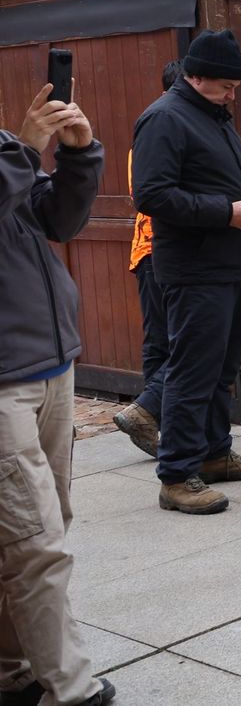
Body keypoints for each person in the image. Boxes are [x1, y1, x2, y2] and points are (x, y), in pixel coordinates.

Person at [1, 80, 117, 706]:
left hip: (50, 365)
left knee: (37, 529)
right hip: (4, 385)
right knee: (34, 541)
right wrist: (24, 148)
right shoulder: (10, 148)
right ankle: (71, 690)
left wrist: (77, 155)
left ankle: (12, 670)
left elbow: (58, 220)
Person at [133, 30, 241, 515]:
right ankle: (176, 475)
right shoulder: (165, 118)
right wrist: (224, 212)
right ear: (195, 77)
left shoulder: (210, 114)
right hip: (195, 268)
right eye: (226, 86)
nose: (233, 96)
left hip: (228, 262)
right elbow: (152, 195)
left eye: (235, 87)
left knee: (220, 369)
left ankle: (214, 453)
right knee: (192, 372)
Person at [112, 59, 183, 457]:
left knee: (160, 340)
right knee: (181, 340)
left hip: (147, 249)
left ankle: (156, 421)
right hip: (161, 249)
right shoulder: (161, 129)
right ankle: (149, 412)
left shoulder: (153, 129)